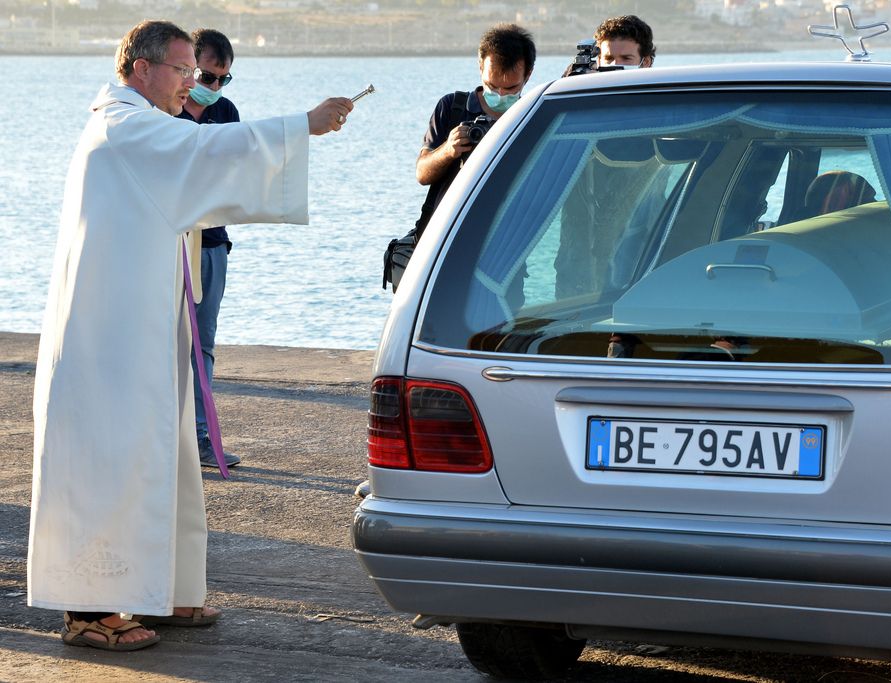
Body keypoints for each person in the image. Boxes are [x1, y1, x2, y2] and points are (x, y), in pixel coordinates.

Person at [28, 19, 353, 651]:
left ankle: (155, 586)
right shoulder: (126, 128)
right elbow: (206, 154)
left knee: (156, 450)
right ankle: (89, 607)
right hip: (109, 334)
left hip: (135, 322)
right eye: (182, 71)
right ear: (141, 69)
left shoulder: (138, 126)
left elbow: (197, 163)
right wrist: (300, 125)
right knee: (110, 457)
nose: (191, 83)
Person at [176, 28, 242, 469]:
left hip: (212, 241)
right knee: (158, 340)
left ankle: (200, 437)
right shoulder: (166, 109)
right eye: (207, 75)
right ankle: (162, 437)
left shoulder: (226, 112)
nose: (214, 87)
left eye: (224, 79)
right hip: (167, 239)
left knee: (204, 344)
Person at [554, 15, 656, 298]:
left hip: (636, 245)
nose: (615, 65)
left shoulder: (661, 103)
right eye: (608, 57)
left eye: (626, 57)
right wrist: (571, 86)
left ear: (645, 62)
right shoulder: (580, 100)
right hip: (577, 253)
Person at [415, 23, 536, 228]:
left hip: (508, 232)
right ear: (480, 66)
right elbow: (422, 173)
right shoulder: (452, 107)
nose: (500, 94)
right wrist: (448, 150)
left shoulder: (533, 114)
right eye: (492, 85)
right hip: (452, 230)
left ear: (528, 74)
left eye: (510, 88)